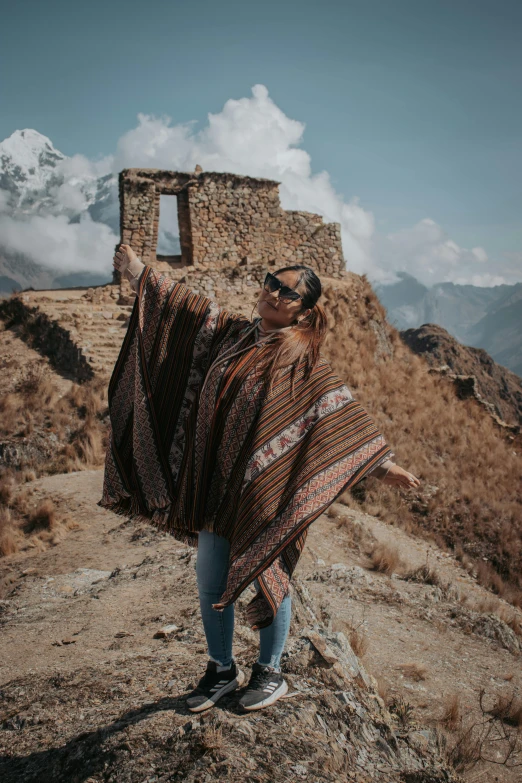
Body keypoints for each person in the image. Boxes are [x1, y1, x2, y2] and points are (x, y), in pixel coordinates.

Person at [102, 243, 420, 713]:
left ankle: (270, 673)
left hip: (264, 492)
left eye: (287, 293)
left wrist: (382, 465)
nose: (273, 293)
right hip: (213, 486)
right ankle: (221, 670)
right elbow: (187, 311)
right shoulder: (232, 334)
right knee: (210, 580)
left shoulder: (304, 360)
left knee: (268, 575)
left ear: (304, 311)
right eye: (273, 281)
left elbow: (339, 410)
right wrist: (138, 273)